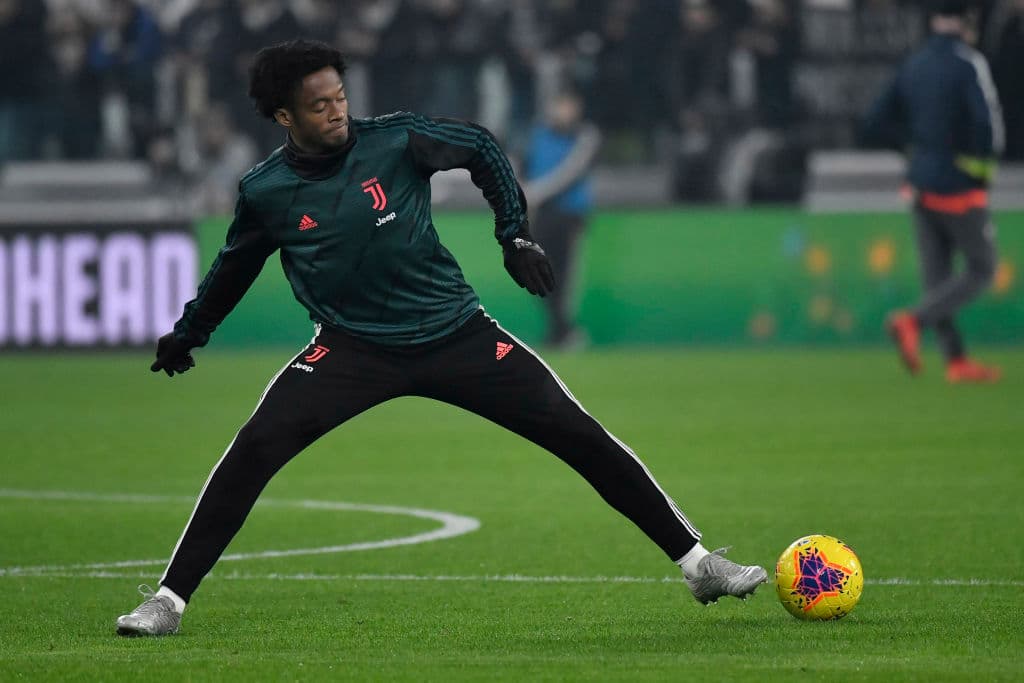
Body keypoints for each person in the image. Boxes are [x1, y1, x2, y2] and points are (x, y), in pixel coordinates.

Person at [115, 40, 767, 637]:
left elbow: (482, 146)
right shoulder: (266, 191)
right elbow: (235, 266)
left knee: (577, 432)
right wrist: (189, 332)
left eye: (340, 97)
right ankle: (168, 601)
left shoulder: (396, 139)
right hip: (351, 349)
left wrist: (514, 232)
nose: (337, 112)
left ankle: (698, 562)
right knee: (253, 448)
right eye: (319, 106)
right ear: (284, 117)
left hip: (455, 334)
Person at [862, 0, 1004, 383]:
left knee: (937, 279)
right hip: (958, 186)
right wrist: (979, 169)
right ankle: (913, 320)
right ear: (967, 22)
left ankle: (955, 361)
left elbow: (874, 121)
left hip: (919, 183)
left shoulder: (915, 64)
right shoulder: (967, 62)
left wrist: (913, 148)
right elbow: (987, 127)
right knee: (982, 268)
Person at [522, 87, 601, 349]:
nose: (564, 110)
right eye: (560, 104)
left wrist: (535, 193)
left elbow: (571, 173)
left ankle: (564, 331)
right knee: (539, 274)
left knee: (565, 277)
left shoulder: (585, 136)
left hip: (569, 215)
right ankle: (559, 330)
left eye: (569, 105)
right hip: (542, 215)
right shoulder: (538, 135)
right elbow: (524, 168)